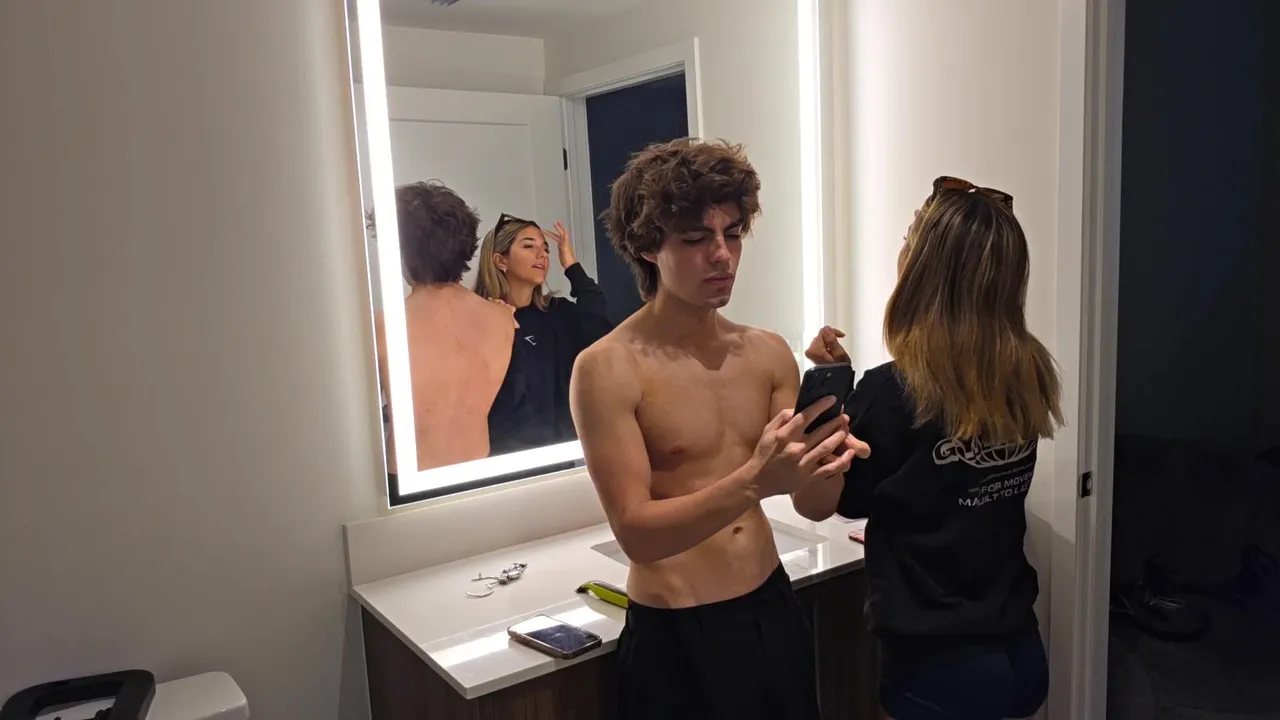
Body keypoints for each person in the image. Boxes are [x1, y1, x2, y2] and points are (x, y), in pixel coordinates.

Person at [569, 137, 870, 720]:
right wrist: (756, 480)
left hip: (771, 607)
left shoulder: (767, 353)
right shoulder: (608, 367)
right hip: (676, 633)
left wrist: (829, 455)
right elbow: (636, 534)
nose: (722, 255)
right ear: (647, 246)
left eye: (732, 234)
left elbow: (813, 507)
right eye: (694, 239)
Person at [792, 176, 1063, 720]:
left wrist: (827, 391)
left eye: (908, 239)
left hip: (939, 668)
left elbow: (822, 504)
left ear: (924, 269)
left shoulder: (896, 389)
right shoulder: (1028, 371)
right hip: (1020, 649)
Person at [370, 180, 516, 477]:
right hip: (480, 474)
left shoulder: (382, 326)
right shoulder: (503, 318)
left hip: (409, 482)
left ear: (401, 252)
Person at [473, 216, 612, 454]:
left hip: (565, 456)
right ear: (500, 260)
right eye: (529, 246)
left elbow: (600, 331)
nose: (542, 255)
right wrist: (505, 327)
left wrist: (571, 266)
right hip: (507, 458)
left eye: (545, 249)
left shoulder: (558, 313)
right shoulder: (481, 320)